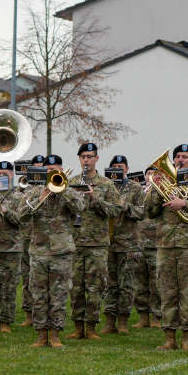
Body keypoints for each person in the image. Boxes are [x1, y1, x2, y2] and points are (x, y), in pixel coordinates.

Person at [145, 144, 188, 351]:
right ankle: (169, 338)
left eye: (185, 157)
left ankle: (187, 338)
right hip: (166, 245)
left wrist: (185, 204)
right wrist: (155, 189)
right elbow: (149, 212)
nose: (180, 160)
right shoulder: (164, 182)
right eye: (177, 157)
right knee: (167, 292)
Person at [17, 155, 86, 348]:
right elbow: (20, 216)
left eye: (55, 170)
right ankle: (40, 334)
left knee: (59, 294)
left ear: (61, 171)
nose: (52, 174)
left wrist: (63, 191)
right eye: (48, 171)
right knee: (38, 294)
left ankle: (55, 334)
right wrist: (39, 198)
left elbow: (80, 207)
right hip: (38, 250)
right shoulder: (33, 192)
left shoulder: (68, 191)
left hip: (61, 251)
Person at [67, 142, 124, 340]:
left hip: (97, 244)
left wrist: (95, 200)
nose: (87, 160)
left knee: (95, 286)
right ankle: (77, 326)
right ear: (79, 159)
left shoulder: (107, 184)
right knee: (76, 287)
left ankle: (91, 327)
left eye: (90, 157)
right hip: (75, 242)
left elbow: (117, 210)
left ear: (97, 159)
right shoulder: (72, 181)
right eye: (83, 157)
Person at [105, 154, 145, 334]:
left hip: (129, 244)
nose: (118, 169)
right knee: (110, 284)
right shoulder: (105, 187)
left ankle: (123, 321)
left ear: (127, 169)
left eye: (121, 166)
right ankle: (109, 321)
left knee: (127, 284)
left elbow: (142, 213)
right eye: (115, 166)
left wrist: (125, 206)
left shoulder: (136, 188)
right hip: (108, 242)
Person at [0, 160, 24, 333]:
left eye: (6, 174)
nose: (2, 176)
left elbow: (21, 222)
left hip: (11, 247)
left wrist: (5, 211)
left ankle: (6, 322)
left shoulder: (19, 197)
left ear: (12, 175)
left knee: (8, 287)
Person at [18, 154, 47, 327]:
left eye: (40, 167)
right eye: (35, 167)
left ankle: (42, 315)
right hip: (27, 237)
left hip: (43, 239)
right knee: (27, 278)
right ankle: (29, 314)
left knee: (41, 280)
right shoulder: (27, 189)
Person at [135, 167, 162, 328]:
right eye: (148, 173)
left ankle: (157, 317)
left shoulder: (161, 192)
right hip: (139, 242)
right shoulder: (139, 192)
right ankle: (143, 316)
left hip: (156, 243)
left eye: (154, 174)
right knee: (140, 283)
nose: (150, 176)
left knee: (156, 283)